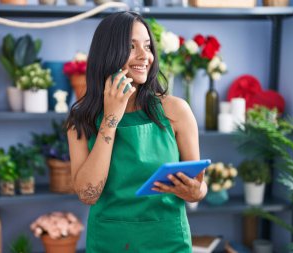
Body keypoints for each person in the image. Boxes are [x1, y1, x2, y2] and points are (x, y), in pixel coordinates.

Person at [66, 11, 207, 253]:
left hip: (168, 240)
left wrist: (195, 192)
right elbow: (88, 194)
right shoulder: (81, 120)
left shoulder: (176, 111)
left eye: (148, 46)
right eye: (132, 47)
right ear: (108, 53)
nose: (145, 56)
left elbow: (198, 186)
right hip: (110, 242)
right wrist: (111, 118)